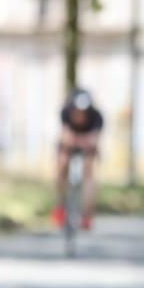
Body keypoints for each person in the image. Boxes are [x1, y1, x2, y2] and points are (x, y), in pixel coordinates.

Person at [51, 88, 104, 230]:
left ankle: (86, 215)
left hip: (87, 147)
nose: (80, 115)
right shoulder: (65, 113)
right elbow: (65, 136)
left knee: (89, 172)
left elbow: (94, 139)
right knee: (62, 164)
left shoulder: (97, 117)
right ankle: (60, 206)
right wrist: (71, 140)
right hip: (70, 144)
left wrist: (84, 141)